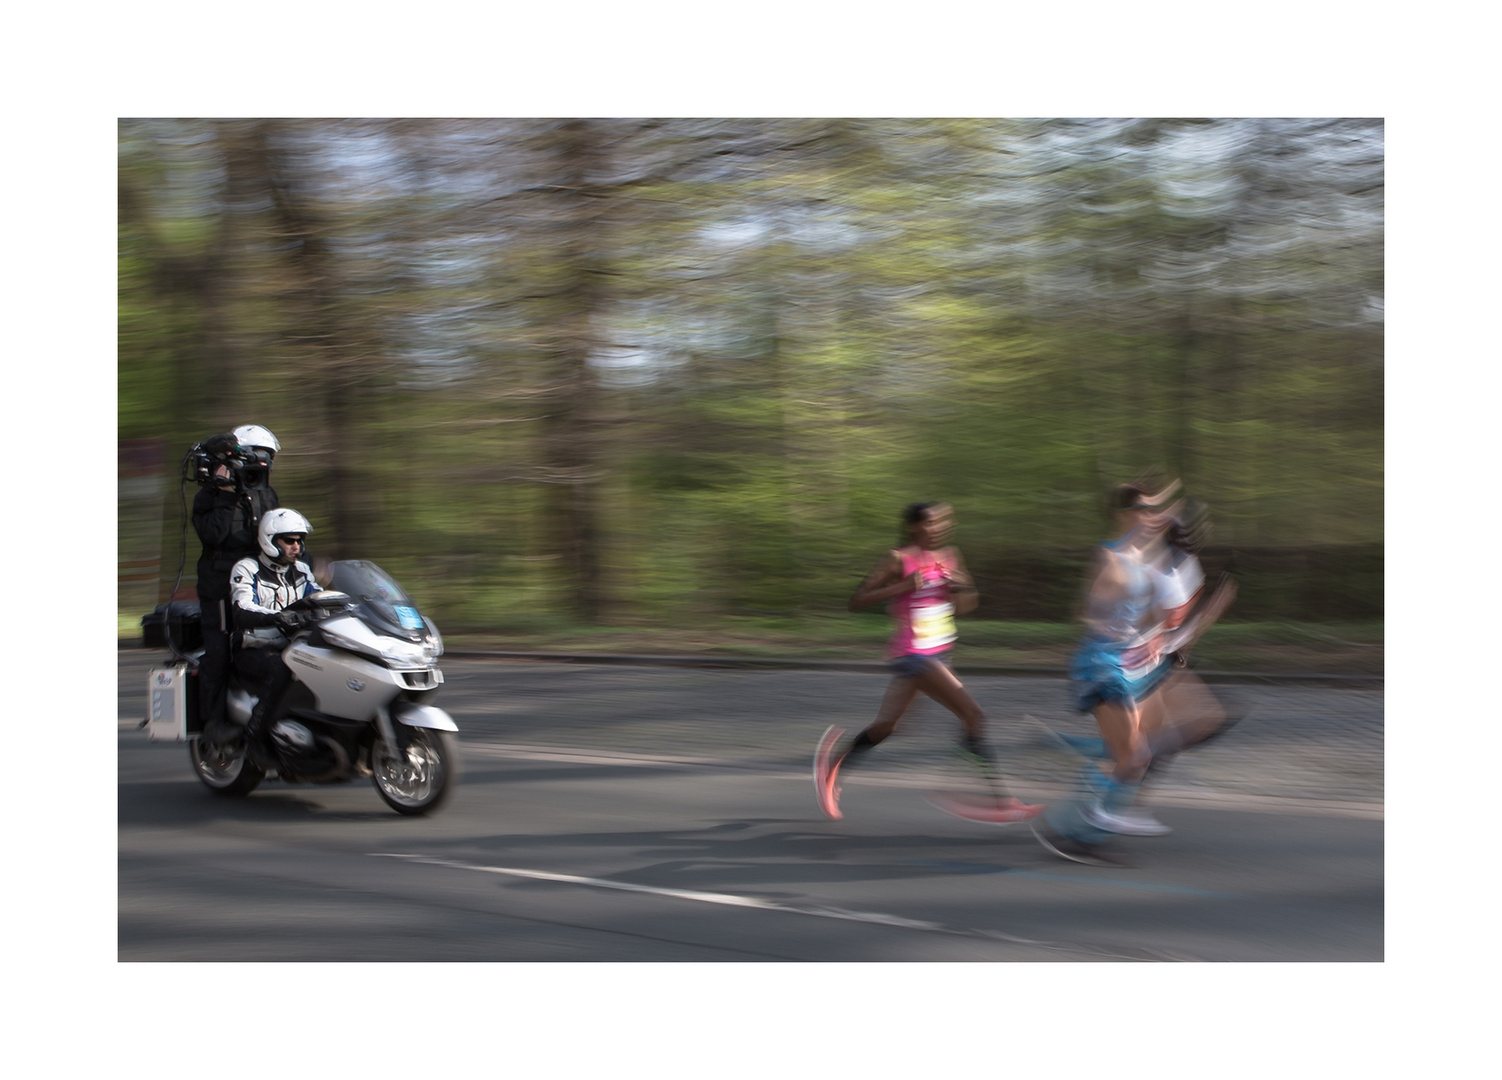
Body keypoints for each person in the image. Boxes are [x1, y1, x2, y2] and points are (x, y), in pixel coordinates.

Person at [813, 502, 1041, 823]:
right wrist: (903, 586)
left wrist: (961, 586)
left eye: (944, 522)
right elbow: (857, 600)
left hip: (939, 652)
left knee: (887, 727)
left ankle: (833, 766)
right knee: (974, 716)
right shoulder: (898, 558)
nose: (940, 528)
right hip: (913, 654)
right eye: (932, 523)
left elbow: (966, 606)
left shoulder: (950, 557)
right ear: (914, 527)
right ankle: (999, 800)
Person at [1031, 478, 1183, 865]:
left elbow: (1153, 614)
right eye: (1142, 510)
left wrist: (1154, 635)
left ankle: (1081, 826)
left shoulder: (1146, 559)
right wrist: (1102, 618)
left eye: (1153, 510)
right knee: (1133, 756)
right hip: (1100, 663)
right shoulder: (1109, 556)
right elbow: (1086, 610)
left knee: (1136, 755)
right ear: (1121, 514)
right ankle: (1073, 830)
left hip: (1127, 661)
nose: (1151, 517)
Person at [192, 426, 281, 746]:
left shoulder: (266, 494)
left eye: (268, 458)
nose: (262, 464)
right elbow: (213, 535)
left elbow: (280, 537)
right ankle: (214, 723)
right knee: (219, 651)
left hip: (260, 584)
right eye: (257, 456)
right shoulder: (208, 498)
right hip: (219, 586)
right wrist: (227, 491)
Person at [230, 508, 319, 766]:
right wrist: (276, 617)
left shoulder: (302, 570)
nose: (296, 546)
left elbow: (320, 597)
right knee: (280, 670)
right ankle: (254, 739)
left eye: (299, 541)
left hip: (293, 647)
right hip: (253, 649)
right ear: (270, 540)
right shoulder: (248, 568)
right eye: (289, 540)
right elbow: (242, 607)